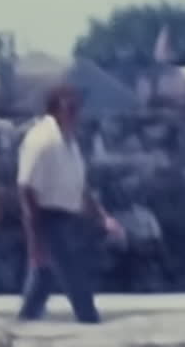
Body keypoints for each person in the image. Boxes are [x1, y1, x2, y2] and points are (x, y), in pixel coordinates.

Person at [16, 84, 124, 323]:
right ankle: (90, 321)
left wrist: (103, 217)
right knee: (74, 275)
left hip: (67, 216)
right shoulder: (41, 139)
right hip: (46, 217)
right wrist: (35, 240)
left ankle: (25, 322)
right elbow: (27, 190)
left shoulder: (70, 141)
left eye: (77, 106)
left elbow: (79, 188)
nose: (76, 111)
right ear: (55, 107)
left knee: (42, 281)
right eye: (70, 106)